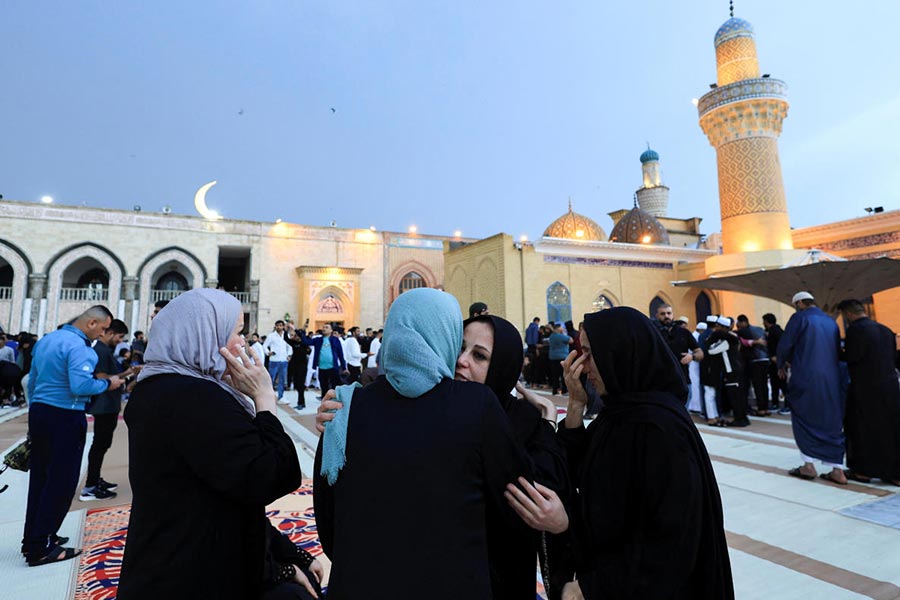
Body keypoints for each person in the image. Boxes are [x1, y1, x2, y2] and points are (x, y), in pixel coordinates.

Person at [313, 288, 532, 599]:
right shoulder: (476, 404)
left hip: (361, 583)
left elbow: (327, 516)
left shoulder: (345, 407)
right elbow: (513, 500)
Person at [506, 307, 734, 599]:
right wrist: (576, 405)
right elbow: (581, 472)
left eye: (590, 353)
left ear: (621, 353)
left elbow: (672, 541)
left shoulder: (658, 429)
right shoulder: (621, 414)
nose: (583, 365)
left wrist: (590, 588)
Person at [117, 288, 317, 600]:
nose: (244, 344)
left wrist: (293, 556)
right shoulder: (195, 399)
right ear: (203, 335)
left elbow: (228, 496)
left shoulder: (158, 389)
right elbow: (271, 474)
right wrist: (264, 398)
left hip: (168, 562)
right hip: (197, 574)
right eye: (236, 332)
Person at [458, 315, 570, 599]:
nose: (462, 360)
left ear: (503, 366)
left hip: (503, 577)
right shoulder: (434, 407)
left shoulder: (521, 420)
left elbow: (544, 492)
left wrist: (545, 425)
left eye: (479, 356)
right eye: (460, 348)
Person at [22, 306, 125, 566]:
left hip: (41, 412)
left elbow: (32, 382)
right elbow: (80, 386)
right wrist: (107, 383)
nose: (102, 335)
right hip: (65, 416)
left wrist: (34, 414)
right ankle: (41, 546)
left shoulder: (48, 340)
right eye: (102, 329)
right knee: (61, 481)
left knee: (41, 479)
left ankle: (35, 538)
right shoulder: (80, 348)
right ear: (91, 323)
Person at [778, 291, 847, 484]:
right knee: (831, 419)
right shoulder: (830, 321)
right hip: (831, 378)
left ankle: (808, 465)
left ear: (800, 303)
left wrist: (781, 363)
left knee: (802, 416)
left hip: (805, 376)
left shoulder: (799, 318)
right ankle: (837, 469)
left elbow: (786, 344)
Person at [837, 299, 900, 485]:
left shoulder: (856, 331)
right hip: (890, 388)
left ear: (848, 314)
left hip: (865, 389)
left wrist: (836, 351)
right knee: (891, 430)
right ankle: (895, 473)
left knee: (862, 430)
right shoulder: (885, 330)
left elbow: (852, 358)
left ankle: (863, 471)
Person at [81, 319, 141, 501]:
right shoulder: (100, 350)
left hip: (109, 405)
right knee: (100, 445)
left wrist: (129, 373)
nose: (120, 341)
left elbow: (110, 376)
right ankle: (90, 486)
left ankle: (94, 479)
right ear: (109, 333)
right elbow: (102, 378)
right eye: (119, 337)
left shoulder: (105, 351)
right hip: (104, 406)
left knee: (102, 444)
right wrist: (122, 380)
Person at [706, 317, 749, 427]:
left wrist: (710, 340)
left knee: (735, 396)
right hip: (737, 369)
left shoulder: (726, 341)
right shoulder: (732, 337)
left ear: (721, 327)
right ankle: (742, 418)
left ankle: (739, 419)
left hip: (731, 371)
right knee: (739, 395)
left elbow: (711, 350)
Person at [654, 303, 703, 389]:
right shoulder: (653, 333)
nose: (666, 316)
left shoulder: (684, 332)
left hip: (683, 381)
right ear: (657, 316)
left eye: (669, 313)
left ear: (673, 314)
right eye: (663, 314)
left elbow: (700, 353)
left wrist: (691, 356)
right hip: (661, 384)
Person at [300, 322, 347, 398]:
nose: (324, 329)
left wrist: (344, 368)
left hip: (333, 367)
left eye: (326, 327)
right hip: (322, 367)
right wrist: (304, 329)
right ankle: (325, 402)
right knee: (324, 386)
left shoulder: (335, 340)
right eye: (323, 327)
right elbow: (306, 342)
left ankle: (335, 401)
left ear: (331, 330)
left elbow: (340, 355)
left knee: (335, 386)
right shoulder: (318, 340)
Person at [735, 315, 770, 416]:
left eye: (739, 324)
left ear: (743, 322)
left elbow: (742, 341)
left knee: (758, 385)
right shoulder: (759, 330)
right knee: (764, 385)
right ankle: (766, 408)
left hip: (755, 361)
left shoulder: (745, 331)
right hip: (765, 359)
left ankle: (761, 409)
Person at [762, 313, 788, 414]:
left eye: (764, 321)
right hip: (774, 361)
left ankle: (787, 405)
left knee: (781, 383)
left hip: (777, 361)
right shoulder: (774, 331)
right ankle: (775, 403)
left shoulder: (775, 331)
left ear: (767, 321)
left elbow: (782, 345)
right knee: (775, 383)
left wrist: (778, 357)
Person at [263, 320, 293, 402]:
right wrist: (268, 352)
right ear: (275, 326)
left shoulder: (286, 336)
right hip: (274, 360)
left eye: (281, 325)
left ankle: (281, 396)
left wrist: (289, 355)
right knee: (271, 378)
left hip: (284, 360)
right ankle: (268, 396)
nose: (279, 327)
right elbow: (265, 345)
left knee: (282, 379)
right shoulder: (271, 336)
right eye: (278, 325)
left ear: (283, 326)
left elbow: (290, 346)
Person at [547, 323, 572, 395]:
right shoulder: (561, 336)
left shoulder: (551, 336)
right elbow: (571, 340)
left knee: (555, 375)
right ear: (558, 329)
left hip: (553, 358)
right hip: (562, 357)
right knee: (563, 375)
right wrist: (564, 333)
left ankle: (555, 390)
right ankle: (564, 390)